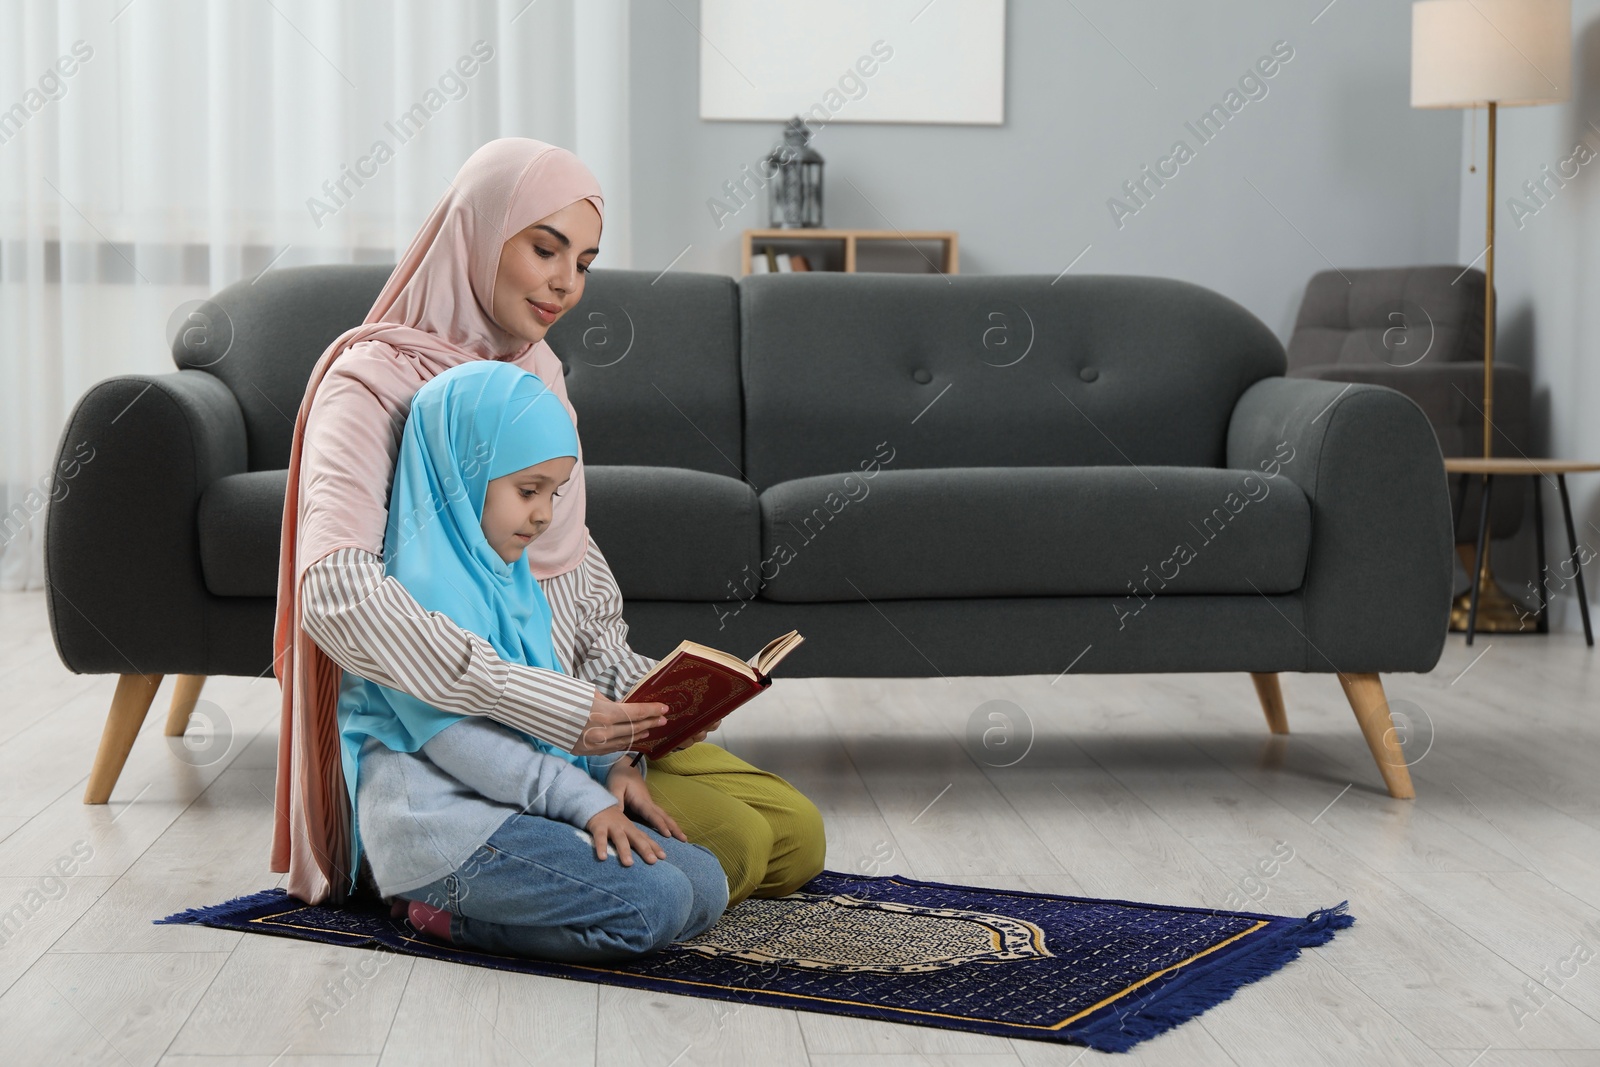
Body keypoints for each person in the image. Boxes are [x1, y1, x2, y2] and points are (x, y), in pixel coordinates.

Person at [272, 137, 825, 908]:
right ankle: (532, 875)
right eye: (545, 248)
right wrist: (544, 706)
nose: (567, 284)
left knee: (796, 834)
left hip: (578, 721)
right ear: (478, 232)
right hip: (467, 730)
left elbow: (567, 573)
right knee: (734, 845)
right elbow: (338, 595)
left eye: (587, 261)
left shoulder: (538, 375)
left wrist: (641, 712)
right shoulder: (369, 387)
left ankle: (607, 839)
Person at [339, 359, 726, 959]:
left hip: (517, 811)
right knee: (657, 906)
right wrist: (586, 803)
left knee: (705, 883)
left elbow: (547, 718)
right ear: (460, 474)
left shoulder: (510, 579)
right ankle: (439, 915)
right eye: (527, 491)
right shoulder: (417, 592)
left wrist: (611, 775)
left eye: (553, 492)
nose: (544, 515)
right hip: (447, 833)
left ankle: (508, 896)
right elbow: (464, 744)